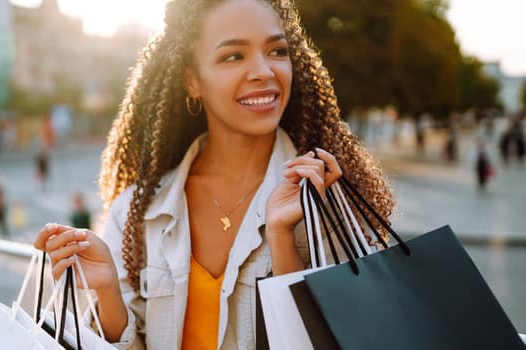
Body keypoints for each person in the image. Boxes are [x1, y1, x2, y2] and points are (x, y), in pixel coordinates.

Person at [34, 0, 393, 348]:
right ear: (192, 81)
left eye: (277, 51)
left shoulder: (325, 202)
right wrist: (108, 289)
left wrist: (283, 238)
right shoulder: (135, 212)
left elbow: (332, 339)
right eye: (233, 56)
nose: (264, 71)